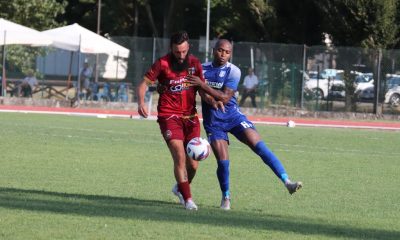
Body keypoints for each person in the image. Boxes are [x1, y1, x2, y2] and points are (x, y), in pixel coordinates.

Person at [185, 39, 302, 210]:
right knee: (223, 161)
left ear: (230, 54)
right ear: (213, 50)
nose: (223, 54)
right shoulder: (202, 69)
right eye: (220, 50)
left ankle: (287, 182)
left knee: (259, 146)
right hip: (214, 123)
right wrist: (210, 99)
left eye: (227, 52)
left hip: (234, 117)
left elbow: (225, 97)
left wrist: (202, 84)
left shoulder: (234, 71)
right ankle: (226, 198)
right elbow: (202, 93)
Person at [136, 31, 205, 210]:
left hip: (191, 118)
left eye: (183, 51)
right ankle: (189, 200)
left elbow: (202, 89)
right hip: (169, 116)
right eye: (177, 52)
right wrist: (141, 102)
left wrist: (214, 101)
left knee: (194, 164)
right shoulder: (162, 63)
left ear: (188, 47)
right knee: (179, 155)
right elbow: (143, 84)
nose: (181, 56)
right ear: (171, 49)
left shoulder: (195, 64)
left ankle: (181, 188)